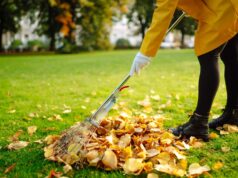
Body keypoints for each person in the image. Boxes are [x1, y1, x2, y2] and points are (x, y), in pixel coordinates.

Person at [129, 0, 238, 141]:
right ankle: (233, 113)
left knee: (208, 54)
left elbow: (163, 11)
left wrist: (145, 52)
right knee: (230, 55)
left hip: (224, 6)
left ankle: (199, 123)